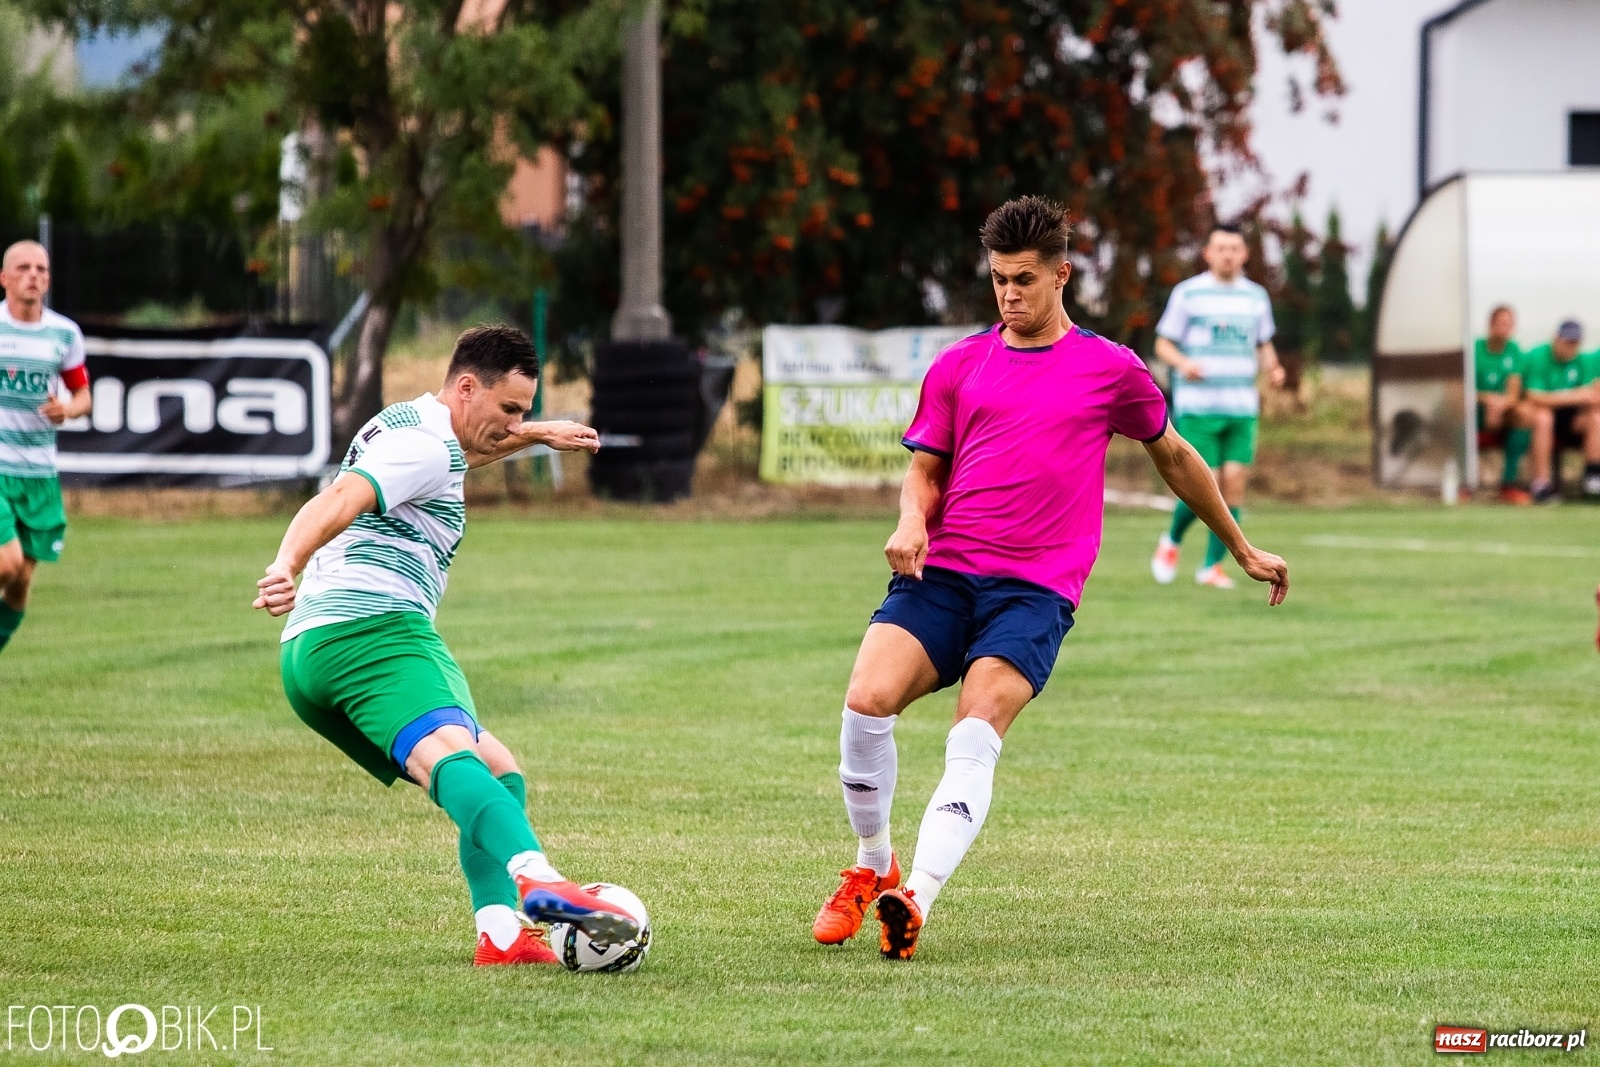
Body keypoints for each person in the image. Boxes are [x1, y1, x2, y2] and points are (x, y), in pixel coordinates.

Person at [810, 197, 1289, 961]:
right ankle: (874, 865)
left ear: (1062, 274)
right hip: (945, 572)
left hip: (1034, 592)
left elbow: (1176, 456)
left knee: (974, 731)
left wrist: (1238, 544)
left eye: (1024, 279)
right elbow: (924, 471)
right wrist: (910, 520)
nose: (1008, 295)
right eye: (998, 280)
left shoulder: (1110, 369)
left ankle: (914, 900)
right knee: (865, 703)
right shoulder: (961, 364)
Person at [252, 325, 637, 967]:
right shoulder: (425, 448)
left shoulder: (412, 425)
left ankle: (503, 936)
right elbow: (343, 496)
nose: (515, 421)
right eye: (509, 409)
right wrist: (286, 561)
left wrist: (538, 433)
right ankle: (537, 880)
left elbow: (461, 452)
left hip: (313, 651)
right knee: (458, 758)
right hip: (370, 630)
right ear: (466, 387)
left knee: (498, 767)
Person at [1148, 223, 1284, 589]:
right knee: (1204, 485)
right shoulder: (1189, 294)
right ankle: (1171, 540)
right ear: (1208, 253)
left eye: (1234, 248)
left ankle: (1211, 567)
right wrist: (1184, 364)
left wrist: (1273, 367)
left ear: (1245, 254)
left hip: (1241, 407)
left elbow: (1263, 342)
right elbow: (1163, 345)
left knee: (1234, 486)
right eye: (1220, 248)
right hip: (1199, 407)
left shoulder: (1256, 297)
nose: (1227, 254)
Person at [0, 240, 92, 654]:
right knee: (7, 563)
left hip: (39, 474)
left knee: (21, 583)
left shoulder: (64, 334)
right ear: (4, 278)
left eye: (40, 268)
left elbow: (84, 396)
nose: (33, 274)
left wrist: (68, 410)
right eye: (23, 267)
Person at [1519, 320, 1600, 500]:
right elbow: (1534, 396)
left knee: (1596, 418)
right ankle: (1542, 485)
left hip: (1571, 419)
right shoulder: (1538, 355)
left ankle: (1593, 482)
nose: (1570, 347)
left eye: (1575, 343)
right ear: (1556, 338)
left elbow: (1590, 395)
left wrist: (1583, 397)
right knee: (1543, 418)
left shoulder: (1582, 360)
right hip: (1543, 417)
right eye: (1567, 342)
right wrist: (1573, 395)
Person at [1473, 305, 1533, 503]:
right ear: (1490, 325)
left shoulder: (1514, 351)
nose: (1504, 327)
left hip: (1500, 412)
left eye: (1508, 323)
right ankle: (1464, 484)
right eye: (1500, 323)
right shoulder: (1474, 349)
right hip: (1473, 412)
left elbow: (1513, 394)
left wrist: (1499, 405)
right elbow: (1460, 391)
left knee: (1524, 414)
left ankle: (1508, 485)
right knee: (1456, 412)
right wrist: (1487, 400)